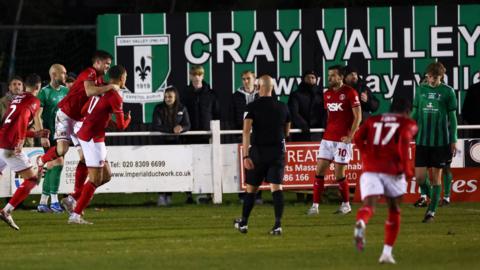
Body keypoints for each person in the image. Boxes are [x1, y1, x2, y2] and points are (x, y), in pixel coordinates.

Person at [37, 50, 119, 214]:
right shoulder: (89, 72)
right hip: (66, 115)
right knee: (62, 150)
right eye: (106, 64)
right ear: (97, 63)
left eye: (110, 64)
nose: (108, 67)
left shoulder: (100, 79)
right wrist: (112, 86)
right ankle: (42, 159)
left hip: (79, 119)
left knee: (83, 157)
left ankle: (71, 199)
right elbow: (89, 91)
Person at [352, 98, 418, 264]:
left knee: (368, 206)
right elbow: (403, 144)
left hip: (370, 168)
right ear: (407, 111)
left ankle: (361, 222)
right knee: (394, 209)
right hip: (392, 170)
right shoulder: (408, 123)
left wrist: (366, 154)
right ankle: (386, 252)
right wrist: (407, 170)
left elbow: (357, 138)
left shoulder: (373, 120)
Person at [68, 65, 131, 225]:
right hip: (92, 138)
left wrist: (102, 119)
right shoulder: (115, 96)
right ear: (122, 77)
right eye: (126, 77)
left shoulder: (100, 89)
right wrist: (128, 118)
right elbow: (121, 126)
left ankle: (73, 198)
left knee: (107, 176)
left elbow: (84, 110)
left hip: (90, 135)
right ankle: (75, 215)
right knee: (96, 179)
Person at [234, 75, 291, 235]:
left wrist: (245, 156)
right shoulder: (283, 107)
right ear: (272, 88)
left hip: (258, 153)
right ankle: (278, 224)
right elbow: (287, 131)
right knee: (277, 189)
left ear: (258, 88)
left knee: (251, 190)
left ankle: (244, 222)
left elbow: (245, 132)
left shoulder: (251, 106)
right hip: (277, 152)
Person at [307, 65, 362, 215]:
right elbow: (331, 116)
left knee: (339, 174)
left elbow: (358, 116)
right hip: (327, 139)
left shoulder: (350, 92)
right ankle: (315, 206)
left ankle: (346, 205)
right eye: (329, 75)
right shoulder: (327, 94)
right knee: (319, 171)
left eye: (332, 75)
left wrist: (350, 136)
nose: (329, 78)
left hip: (342, 140)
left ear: (340, 77)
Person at [0, 74, 50, 230]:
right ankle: (7, 211)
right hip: (9, 147)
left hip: (2, 141)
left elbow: (11, 125)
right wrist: (21, 139)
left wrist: (34, 134)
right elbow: (22, 119)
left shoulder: (17, 98)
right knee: (33, 179)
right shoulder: (33, 100)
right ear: (38, 87)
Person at [411, 61, 458, 223]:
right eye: (429, 76)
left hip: (440, 142)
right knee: (420, 178)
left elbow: (452, 117)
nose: (431, 80)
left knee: (436, 177)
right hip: (422, 140)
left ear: (441, 76)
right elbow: (415, 112)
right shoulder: (420, 90)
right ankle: (432, 197)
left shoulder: (448, 92)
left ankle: (431, 212)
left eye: (435, 77)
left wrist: (453, 139)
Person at [180, 65, 219, 204]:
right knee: (189, 165)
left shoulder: (211, 94)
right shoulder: (184, 93)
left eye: (199, 74)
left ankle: (208, 194)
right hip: (189, 135)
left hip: (206, 135)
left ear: (203, 76)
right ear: (190, 76)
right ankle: (189, 195)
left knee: (207, 165)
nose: (196, 77)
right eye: (194, 74)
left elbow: (216, 114)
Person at [36, 64, 69, 213]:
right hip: (49, 135)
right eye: (63, 73)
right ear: (54, 75)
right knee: (58, 163)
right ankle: (55, 202)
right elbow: (37, 115)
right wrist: (42, 135)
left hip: (62, 134)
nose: (65, 76)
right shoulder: (44, 92)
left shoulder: (66, 91)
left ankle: (43, 202)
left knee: (51, 166)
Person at [151, 86, 191, 206]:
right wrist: (172, 129)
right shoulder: (158, 108)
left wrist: (182, 128)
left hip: (176, 144)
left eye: (170, 97)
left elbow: (188, 125)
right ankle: (161, 196)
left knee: (173, 170)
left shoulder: (182, 108)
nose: (167, 99)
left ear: (175, 97)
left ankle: (169, 196)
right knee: (161, 171)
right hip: (161, 144)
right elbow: (156, 125)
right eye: (166, 96)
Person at [231, 70, 264, 204]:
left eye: (248, 78)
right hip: (241, 135)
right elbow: (231, 116)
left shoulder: (262, 94)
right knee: (242, 165)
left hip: (258, 135)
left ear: (254, 79)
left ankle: (258, 195)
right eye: (244, 79)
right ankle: (242, 196)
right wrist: (236, 133)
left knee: (258, 165)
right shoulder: (236, 96)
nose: (246, 81)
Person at [288, 70, 326, 142]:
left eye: (313, 77)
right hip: (300, 132)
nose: (310, 79)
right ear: (303, 79)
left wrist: (324, 125)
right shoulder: (295, 95)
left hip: (318, 132)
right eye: (308, 77)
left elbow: (325, 112)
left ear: (316, 80)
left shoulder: (321, 95)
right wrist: (303, 125)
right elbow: (293, 112)